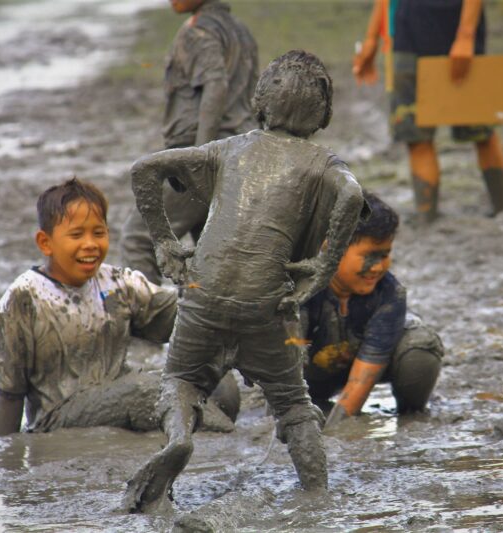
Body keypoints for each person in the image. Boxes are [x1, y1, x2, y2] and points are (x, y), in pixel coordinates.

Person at [122, 50, 368, 512]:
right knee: (294, 406)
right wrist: (324, 266)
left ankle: (178, 440)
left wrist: (165, 243)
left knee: (179, 379)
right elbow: (353, 195)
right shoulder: (322, 163)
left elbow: (144, 170)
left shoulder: (228, 148)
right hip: (264, 303)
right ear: (324, 114)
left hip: (203, 293)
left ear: (260, 102)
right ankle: (317, 500)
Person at [0, 178, 240, 437]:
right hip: (58, 416)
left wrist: (217, 297)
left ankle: (206, 433)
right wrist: (6, 454)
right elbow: (9, 392)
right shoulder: (23, 299)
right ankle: (228, 439)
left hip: (119, 397)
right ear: (45, 243)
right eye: (76, 235)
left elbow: (180, 315)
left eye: (98, 233)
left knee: (216, 378)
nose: (90, 244)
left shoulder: (117, 283)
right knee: (148, 390)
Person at [120, 0, 259, 284]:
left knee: (138, 240)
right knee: (210, 260)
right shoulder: (242, 32)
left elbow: (216, 84)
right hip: (238, 156)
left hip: (202, 156)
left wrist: (196, 159)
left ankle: (148, 325)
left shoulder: (198, 32)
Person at [353, 0, 503, 223]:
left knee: (480, 126)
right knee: (415, 134)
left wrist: (465, 36)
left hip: (458, 28)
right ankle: (427, 218)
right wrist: (371, 37)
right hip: (409, 32)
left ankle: (502, 212)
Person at [302, 191, 444, 429]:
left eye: (385, 255)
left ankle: (411, 417)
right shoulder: (303, 290)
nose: (378, 267)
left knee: (420, 346)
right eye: (369, 256)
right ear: (331, 249)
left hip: (363, 367)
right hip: (311, 378)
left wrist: (340, 428)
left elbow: (363, 377)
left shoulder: (390, 294)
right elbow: (284, 368)